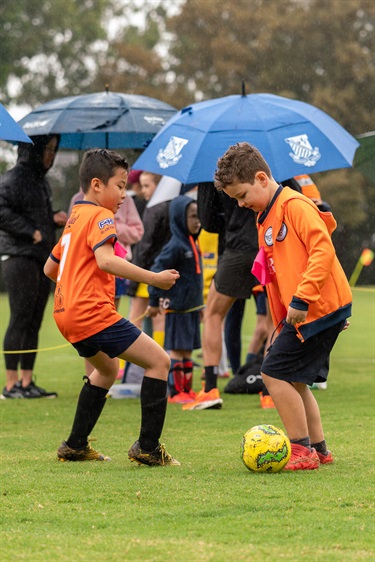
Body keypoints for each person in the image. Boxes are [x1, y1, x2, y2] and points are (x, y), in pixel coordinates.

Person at [214, 142, 352, 470]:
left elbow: (323, 250)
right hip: (310, 312)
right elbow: (276, 278)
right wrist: (281, 323)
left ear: (262, 178)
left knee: (272, 373)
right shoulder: (266, 217)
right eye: (235, 199)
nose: (241, 203)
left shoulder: (294, 205)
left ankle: (301, 451)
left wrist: (305, 299)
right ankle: (319, 449)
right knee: (295, 381)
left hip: (316, 307)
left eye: (242, 195)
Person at [43, 149, 180, 466]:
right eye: (119, 186)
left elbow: (51, 269)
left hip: (66, 314)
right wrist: (153, 279)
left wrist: (75, 282)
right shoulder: (101, 216)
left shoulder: (75, 216)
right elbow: (106, 260)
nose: (123, 193)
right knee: (159, 361)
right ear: (96, 185)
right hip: (92, 313)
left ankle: (75, 445)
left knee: (107, 370)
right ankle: (148, 447)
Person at [0, 135, 67, 399]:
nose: (50, 155)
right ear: (33, 150)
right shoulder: (14, 177)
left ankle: (27, 383)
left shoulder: (40, 180)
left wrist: (52, 220)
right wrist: (32, 232)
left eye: (53, 150)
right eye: (47, 149)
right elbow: (1, 210)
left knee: (34, 321)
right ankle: (10, 385)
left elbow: (32, 214)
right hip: (19, 257)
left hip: (40, 258)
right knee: (20, 318)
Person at [182, 182, 258, 411]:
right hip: (271, 244)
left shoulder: (212, 169)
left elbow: (209, 222)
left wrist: (231, 216)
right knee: (273, 318)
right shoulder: (271, 161)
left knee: (213, 314)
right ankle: (271, 391)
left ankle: (210, 389)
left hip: (237, 247)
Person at [147, 195, 204, 404]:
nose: (197, 221)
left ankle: (187, 390)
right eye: (192, 216)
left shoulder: (192, 243)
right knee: (178, 350)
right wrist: (153, 301)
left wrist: (200, 305)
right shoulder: (175, 246)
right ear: (180, 218)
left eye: (199, 217)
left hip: (191, 308)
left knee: (188, 350)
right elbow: (155, 272)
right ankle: (175, 391)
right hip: (178, 308)